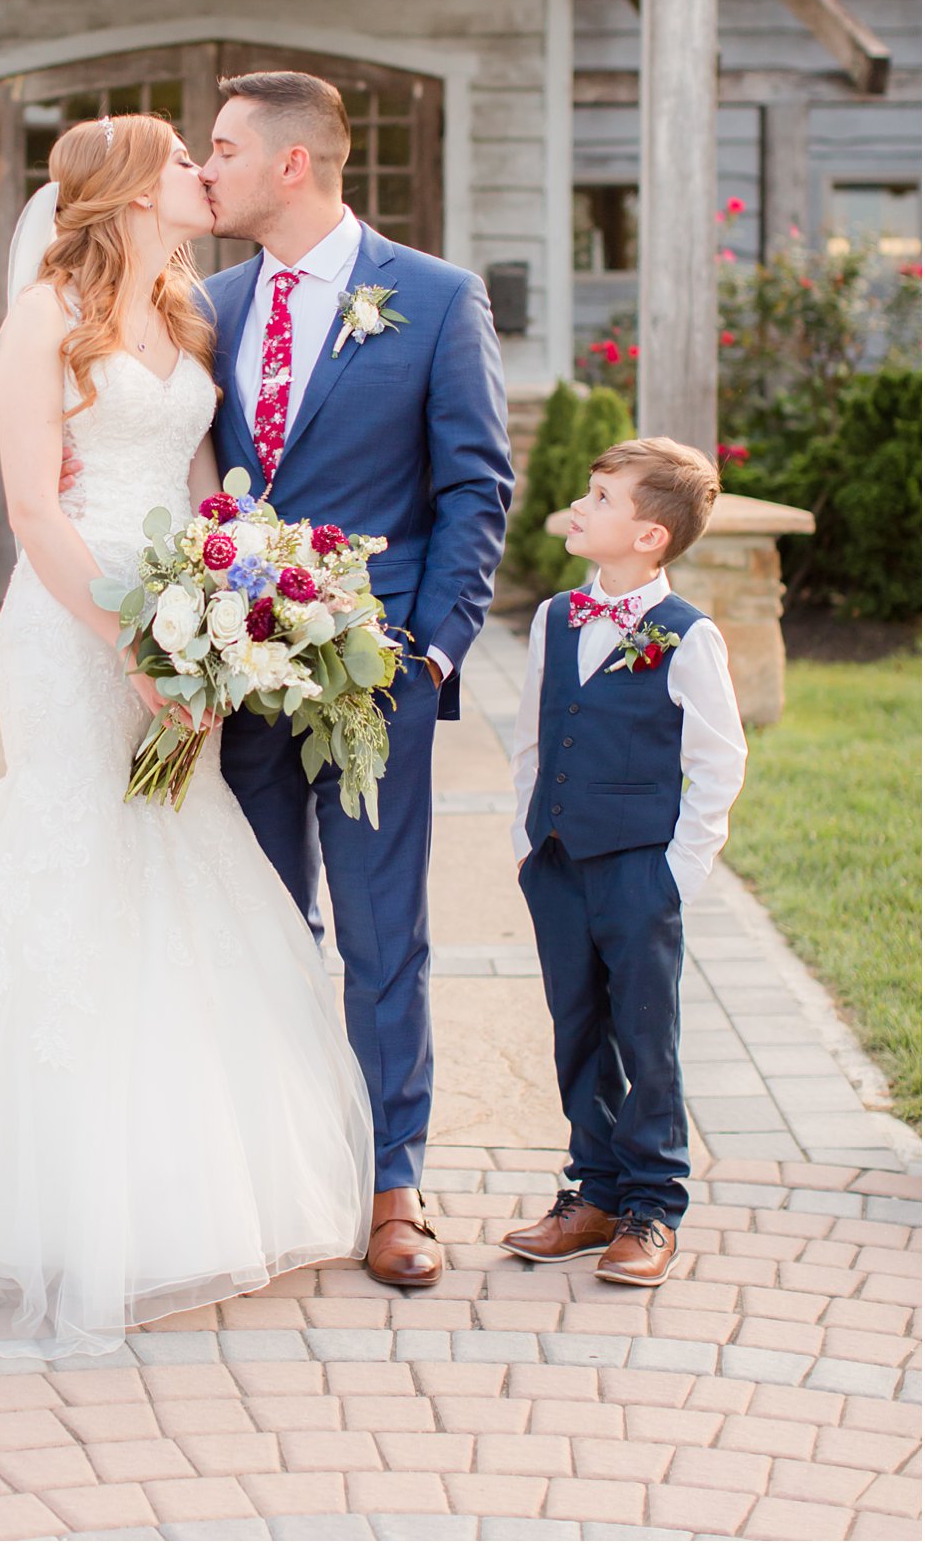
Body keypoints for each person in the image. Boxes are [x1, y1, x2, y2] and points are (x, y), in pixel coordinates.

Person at [0, 113, 372, 1362]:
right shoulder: (42, 318)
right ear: (123, 188)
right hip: (77, 628)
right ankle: (52, 1200)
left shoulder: (187, 314)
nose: (199, 176)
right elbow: (25, 504)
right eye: (180, 160)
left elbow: (211, 485)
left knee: (173, 845)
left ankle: (186, 1187)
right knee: (80, 847)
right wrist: (129, 640)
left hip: (185, 612)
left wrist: (232, 622)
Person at [199, 71, 513, 1289]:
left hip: (372, 674)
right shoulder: (207, 303)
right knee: (261, 923)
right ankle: (283, 1172)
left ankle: (394, 1184)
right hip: (234, 673)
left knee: (384, 936)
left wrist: (430, 650)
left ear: (292, 164)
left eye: (221, 149)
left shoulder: (433, 299)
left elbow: (474, 483)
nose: (204, 169)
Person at [502, 438, 747, 1287]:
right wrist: (530, 838)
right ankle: (594, 1190)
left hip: (639, 870)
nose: (582, 503)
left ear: (649, 535)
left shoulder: (687, 636)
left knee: (646, 1033)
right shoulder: (553, 617)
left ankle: (653, 1203)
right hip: (560, 859)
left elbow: (719, 763)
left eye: (602, 496)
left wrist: (678, 872)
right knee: (577, 1025)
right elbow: (536, 733)